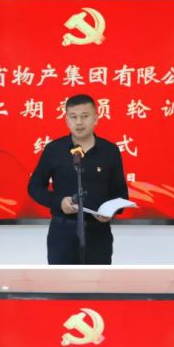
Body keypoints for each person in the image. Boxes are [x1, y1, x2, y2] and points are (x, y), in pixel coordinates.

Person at [27, 94, 129, 265]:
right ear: (67, 120)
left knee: (97, 281)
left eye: (85, 116)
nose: (79, 122)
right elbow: (35, 187)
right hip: (62, 232)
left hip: (98, 233)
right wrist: (59, 202)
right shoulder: (54, 149)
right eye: (73, 117)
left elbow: (120, 193)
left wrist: (111, 212)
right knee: (62, 281)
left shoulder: (109, 151)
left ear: (95, 118)